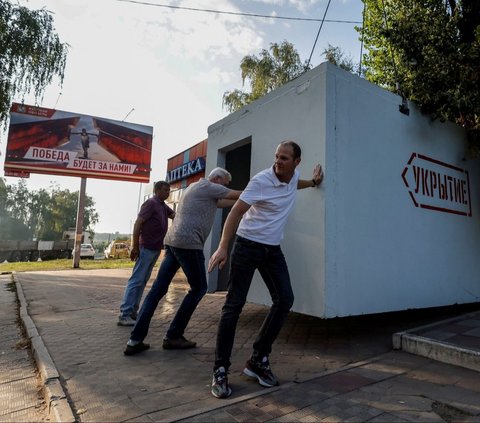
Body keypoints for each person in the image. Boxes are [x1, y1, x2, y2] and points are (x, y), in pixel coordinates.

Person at [207, 140, 324, 399]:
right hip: (247, 246)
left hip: (272, 249)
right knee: (233, 306)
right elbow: (236, 212)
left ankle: (258, 359)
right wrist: (224, 247)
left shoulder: (291, 178)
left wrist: (314, 183)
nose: (278, 162)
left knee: (285, 299)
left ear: (296, 162)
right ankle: (220, 369)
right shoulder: (261, 180)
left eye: (284, 158)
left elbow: (297, 184)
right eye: (276, 156)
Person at [123, 167, 242, 355]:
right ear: (218, 179)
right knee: (199, 288)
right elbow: (239, 194)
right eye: (225, 184)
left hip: (172, 242)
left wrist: (245, 203)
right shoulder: (209, 186)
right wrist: (263, 192)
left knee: (157, 291)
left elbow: (224, 202)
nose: (225, 187)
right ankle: (173, 335)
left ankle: (134, 340)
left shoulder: (196, 188)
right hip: (189, 244)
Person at [117, 181, 175, 326]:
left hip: (155, 249)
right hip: (145, 248)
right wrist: (135, 246)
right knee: (136, 280)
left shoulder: (162, 205)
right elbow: (138, 224)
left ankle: (133, 312)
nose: (168, 193)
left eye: (169, 190)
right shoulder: (151, 203)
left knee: (142, 281)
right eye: (165, 190)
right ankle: (125, 314)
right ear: (157, 190)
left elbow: (175, 215)